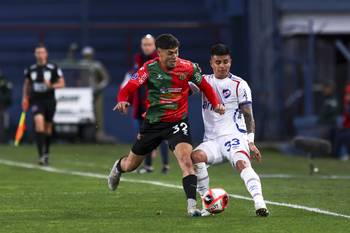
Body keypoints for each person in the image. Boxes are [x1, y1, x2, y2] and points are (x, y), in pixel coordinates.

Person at [108, 34, 225, 217]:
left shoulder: (187, 67)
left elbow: (205, 87)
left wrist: (216, 103)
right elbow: (128, 88)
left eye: (176, 52)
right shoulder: (148, 68)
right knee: (131, 165)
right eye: (170, 53)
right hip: (153, 123)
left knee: (187, 161)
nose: (174, 56)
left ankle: (192, 207)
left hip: (178, 122)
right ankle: (118, 167)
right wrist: (122, 100)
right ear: (159, 53)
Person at [190, 44, 269, 217]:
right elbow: (184, 91)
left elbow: (248, 115)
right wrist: (188, 72)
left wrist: (251, 141)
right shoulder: (204, 81)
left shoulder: (239, 84)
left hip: (234, 137)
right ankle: (207, 204)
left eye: (225, 62)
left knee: (242, 164)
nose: (222, 66)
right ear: (211, 62)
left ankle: (259, 203)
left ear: (230, 62)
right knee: (195, 157)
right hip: (212, 140)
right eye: (218, 62)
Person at [132, 34, 170, 174]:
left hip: (157, 104)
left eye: (149, 44)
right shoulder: (138, 59)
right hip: (141, 104)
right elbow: (134, 80)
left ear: (155, 46)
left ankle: (165, 165)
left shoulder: (160, 60)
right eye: (144, 44)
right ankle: (148, 166)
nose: (146, 47)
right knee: (144, 136)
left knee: (163, 136)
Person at [22, 44, 65, 165]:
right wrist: (25, 98)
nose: (40, 55)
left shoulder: (53, 68)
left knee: (48, 128)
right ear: (35, 54)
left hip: (49, 100)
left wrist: (51, 85)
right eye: (38, 52)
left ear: (46, 54)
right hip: (36, 100)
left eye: (42, 52)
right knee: (39, 124)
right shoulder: (31, 69)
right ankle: (41, 155)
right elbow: (27, 85)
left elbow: (62, 83)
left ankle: (46, 153)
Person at [79, 46, 111, 142]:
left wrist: (98, 87)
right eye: (86, 55)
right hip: (83, 93)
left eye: (89, 55)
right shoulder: (80, 65)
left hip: (96, 93)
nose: (87, 57)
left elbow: (105, 78)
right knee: (83, 112)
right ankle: (83, 134)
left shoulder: (96, 65)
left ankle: (99, 133)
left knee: (98, 113)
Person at [334, 83, 350, 161]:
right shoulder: (346, 104)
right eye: (346, 94)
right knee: (339, 136)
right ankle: (335, 156)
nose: (347, 96)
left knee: (347, 135)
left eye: (348, 94)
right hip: (346, 127)